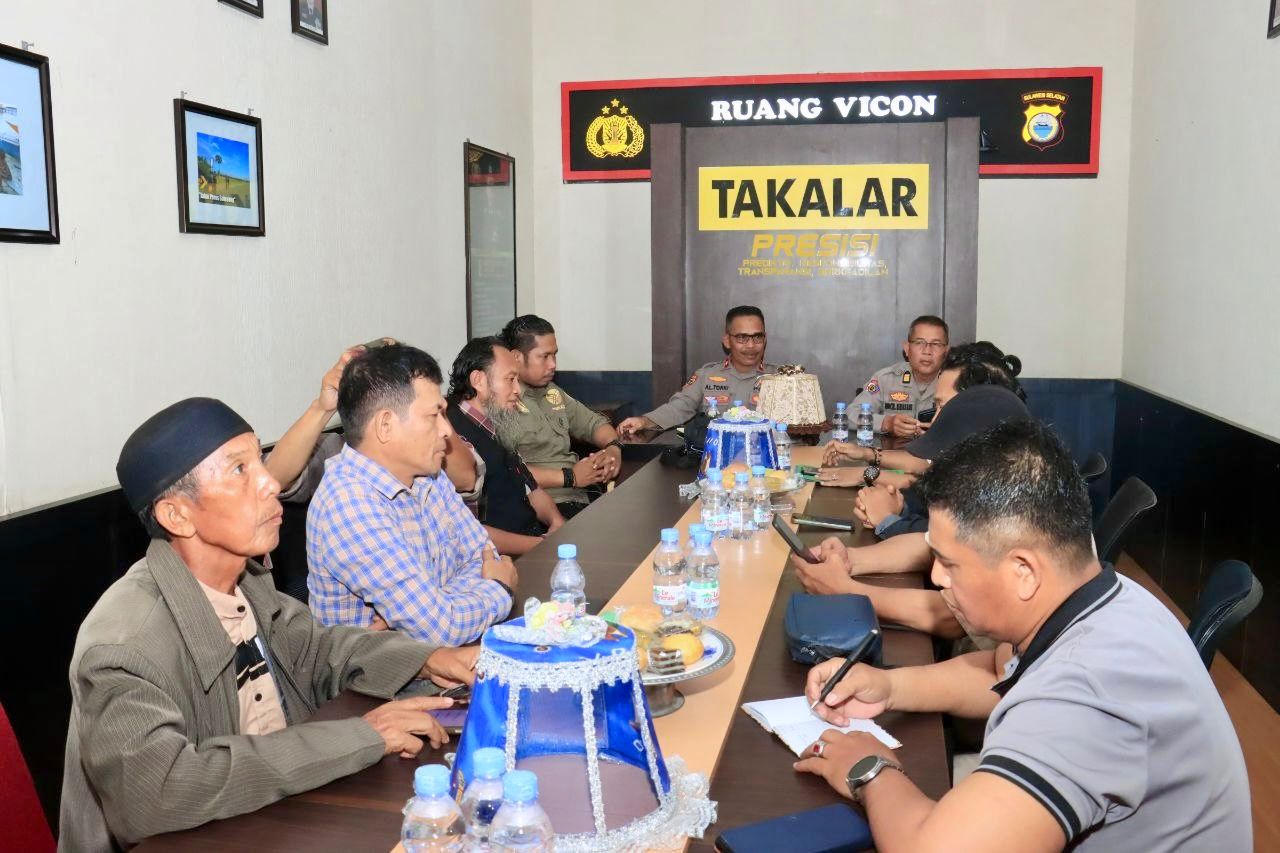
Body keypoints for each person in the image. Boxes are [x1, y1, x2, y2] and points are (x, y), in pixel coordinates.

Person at [794, 420, 1251, 851]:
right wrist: (889, 686)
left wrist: (870, 769)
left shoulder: (1086, 691)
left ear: (1024, 571)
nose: (937, 578)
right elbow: (1000, 674)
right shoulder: (1103, 596)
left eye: (949, 564)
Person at [59, 398, 478, 851]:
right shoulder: (123, 646)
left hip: (269, 822)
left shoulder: (247, 582)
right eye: (239, 470)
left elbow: (322, 650)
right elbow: (160, 792)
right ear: (176, 515)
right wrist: (363, 735)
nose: (270, 483)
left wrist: (430, 659)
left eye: (260, 459)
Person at [306, 344, 517, 645]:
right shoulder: (348, 503)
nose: (446, 430)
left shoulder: (428, 473)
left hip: (442, 654)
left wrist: (433, 608)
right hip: (377, 674)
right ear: (385, 425)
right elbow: (441, 629)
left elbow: (483, 555)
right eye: (433, 416)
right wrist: (498, 588)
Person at [445, 336, 566, 556]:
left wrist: (556, 522)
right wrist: (540, 546)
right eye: (510, 379)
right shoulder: (454, 438)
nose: (517, 389)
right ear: (479, 380)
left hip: (534, 542)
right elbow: (468, 531)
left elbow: (531, 488)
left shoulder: (497, 422)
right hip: (498, 559)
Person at [497, 314, 623, 517]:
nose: (553, 364)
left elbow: (594, 423)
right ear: (516, 357)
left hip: (581, 495)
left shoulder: (552, 392)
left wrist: (613, 449)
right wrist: (570, 476)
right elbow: (507, 470)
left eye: (554, 355)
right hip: (544, 506)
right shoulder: (502, 401)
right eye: (544, 356)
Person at [617, 305, 778, 434]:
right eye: (742, 338)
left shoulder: (781, 379)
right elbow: (680, 407)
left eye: (757, 337)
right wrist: (644, 421)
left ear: (765, 340)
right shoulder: (707, 375)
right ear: (727, 341)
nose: (751, 345)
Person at [853, 315, 950, 439]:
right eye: (919, 342)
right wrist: (886, 423)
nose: (927, 351)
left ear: (946, 351)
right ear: (907, 348)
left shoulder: (957, 383)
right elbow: (851, 414)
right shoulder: (884, 379)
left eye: (936, 344)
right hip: (891, 450)